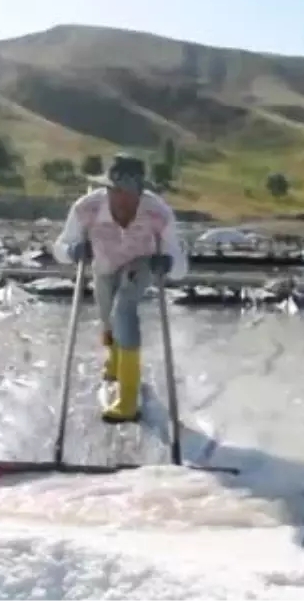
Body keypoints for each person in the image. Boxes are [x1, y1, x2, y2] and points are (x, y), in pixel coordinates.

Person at [53, 152, 189, 423]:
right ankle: (114, 361)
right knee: (108, 318)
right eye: (115, 191)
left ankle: (127, 400)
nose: (122, 199)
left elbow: (181, 266)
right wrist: (73, 251)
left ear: (140, 192)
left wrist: (167, 263)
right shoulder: (86, 208)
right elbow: (59, 248)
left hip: (141, 262)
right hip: (103, 265)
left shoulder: (157, 212)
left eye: (128, 193)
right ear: (107, 189)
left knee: (124, 308)